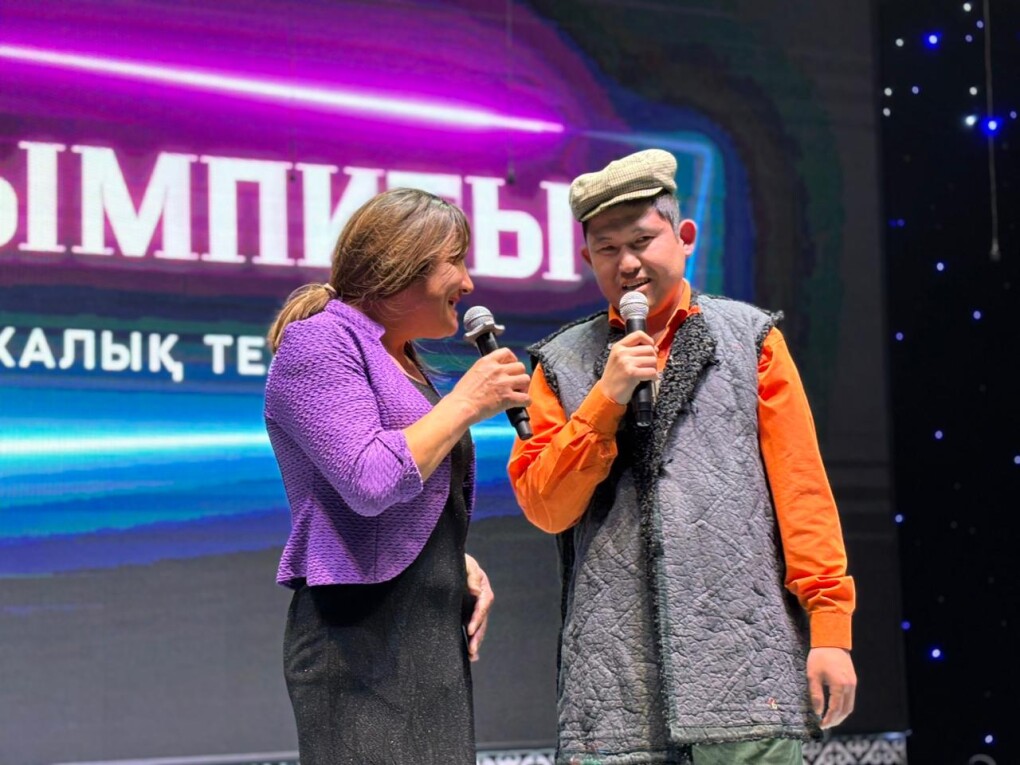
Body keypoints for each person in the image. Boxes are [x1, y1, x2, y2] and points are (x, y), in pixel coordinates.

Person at [508, 149, 857, 764]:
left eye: (642, 240)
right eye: (607, 248)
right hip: (615, 685)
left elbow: (801, 491)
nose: (628, 263)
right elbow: (546, 507)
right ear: (587, 259)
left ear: (685, 236)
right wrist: (606, 398)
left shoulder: (750, 340)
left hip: (745, 662)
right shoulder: (560, 364)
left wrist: (830, 629)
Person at [263, 187, 531, 765]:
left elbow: (407, 493)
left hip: (427, 637)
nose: (469, 283)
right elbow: (369, 478)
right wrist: (465, 402)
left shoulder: (398, 357)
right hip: (359, 640)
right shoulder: (319, 340)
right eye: (455, 261)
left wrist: (448, 558)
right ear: (401, 264)